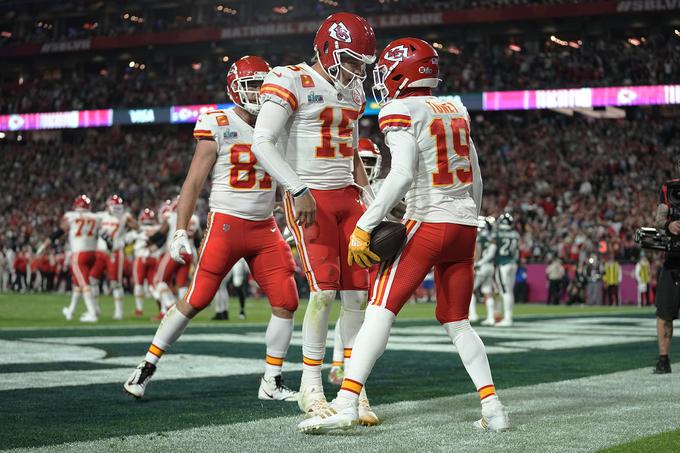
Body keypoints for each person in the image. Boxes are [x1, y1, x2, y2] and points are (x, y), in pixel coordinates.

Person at [298, 37, 509, 433]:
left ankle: (346, 401)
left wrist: (364, 224)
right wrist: (468, 219)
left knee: (379, 309)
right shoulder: (456, 109)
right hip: (464, 225)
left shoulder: (398, 108)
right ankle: (493, 407)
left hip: (428, 221)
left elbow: (403, 174)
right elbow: (476, 176)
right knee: (458, 321)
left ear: (400, 71)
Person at [123, 56, 299, 401]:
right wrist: (178, 230)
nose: (258, 94)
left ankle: (272, 381)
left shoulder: (278, 125)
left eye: (262, 87)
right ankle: (146, 365)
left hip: (265, 228)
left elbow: (285, 182)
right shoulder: (218, 123)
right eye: (251, 86)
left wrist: (288, 217)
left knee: (286, 299)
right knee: (198, 298)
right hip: (226, 224)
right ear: (234, 88)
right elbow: (192, 184)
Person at [251, 13, 379, 423]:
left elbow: (351, 149)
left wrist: (371, 196)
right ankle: (310, 387)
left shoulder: (354, 89)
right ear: (327, 49)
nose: (359, 69)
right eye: (352, 59)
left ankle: (353, 387)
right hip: (310, 194)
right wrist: (297, 188)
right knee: (323, 291)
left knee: (358, 293)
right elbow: (262, 142)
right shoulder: (290, 79)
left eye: (363, 61)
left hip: (347, 196)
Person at [652, 166, 680, 374]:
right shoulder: (670, 188)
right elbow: (659, 220)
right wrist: (669, 226)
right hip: (673, 259)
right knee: (664, 312)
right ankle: (664, 359)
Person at [494, 213, 519, 326]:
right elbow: (516, 252)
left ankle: (508, 318)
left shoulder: (497, 234)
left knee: (505, 292)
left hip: (503, 264)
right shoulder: (515, 234)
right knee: (509, 291)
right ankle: (509, 316)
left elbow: (493, 250)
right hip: (513, 263)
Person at [471, 217, 496, 324]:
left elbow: (477, 252)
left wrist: (477, 263)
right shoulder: (492, 237)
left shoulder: (479, 237)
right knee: (487, 292)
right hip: (490, 266)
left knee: (470, 291)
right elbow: (492, 253)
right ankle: (491, 317)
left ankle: (473, 314)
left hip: (481, 267)